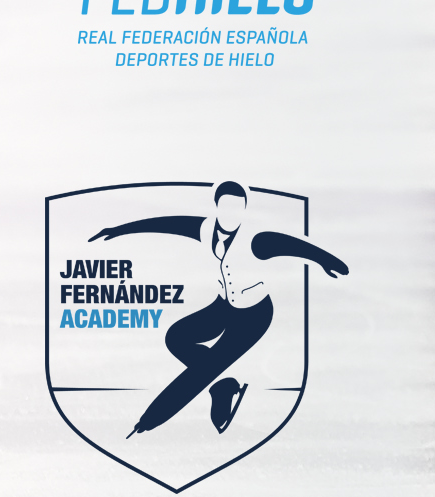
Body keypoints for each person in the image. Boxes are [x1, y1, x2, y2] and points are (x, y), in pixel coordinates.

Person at [90, 181, 348, 437]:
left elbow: (291, 245)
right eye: (226, 208)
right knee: (176, 338)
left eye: (238, 209)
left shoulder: (256, 240)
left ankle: (152, 418)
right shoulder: (206, 229)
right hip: (222, 306)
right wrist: (119, 229)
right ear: (216, 208)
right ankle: (222, 385)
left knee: (204, 371)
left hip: (253, 315)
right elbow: (168, 224)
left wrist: (328, 261)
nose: (231, 215)